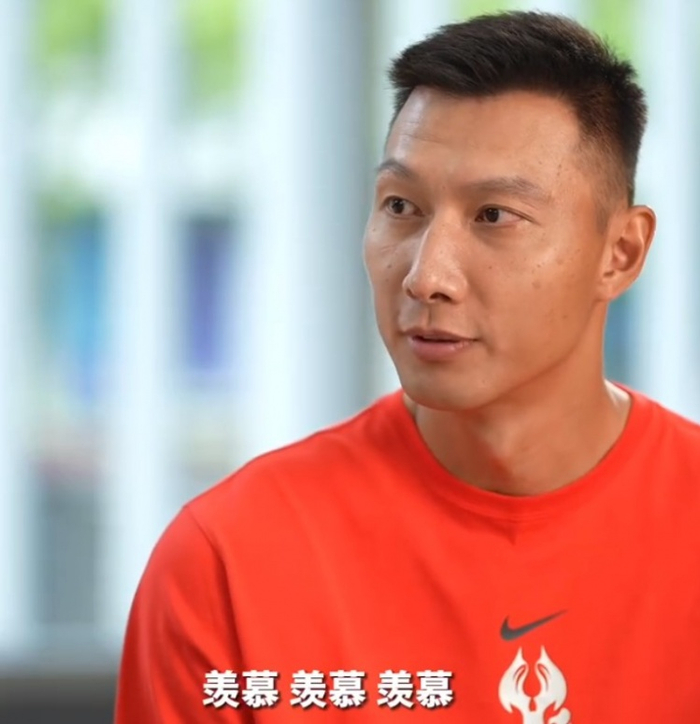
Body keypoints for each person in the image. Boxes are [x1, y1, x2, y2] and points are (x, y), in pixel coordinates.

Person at [115, 10, 700, 723]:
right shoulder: (229, 563)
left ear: (621, 253)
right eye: (401, 206)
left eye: (494, 216)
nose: (427, 276)